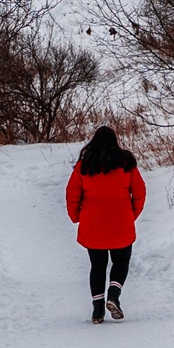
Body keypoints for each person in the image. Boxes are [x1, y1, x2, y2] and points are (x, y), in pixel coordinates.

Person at [65, 126, 146, 324]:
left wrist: (76, 216)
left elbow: (72, 194)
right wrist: (131, 215)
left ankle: (97, 310)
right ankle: (113, 296)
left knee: (97, 266)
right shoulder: (127, 163)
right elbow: (140, 192)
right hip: (121, 221)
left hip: (92, 223)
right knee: (121, 261)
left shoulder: (84, 166)